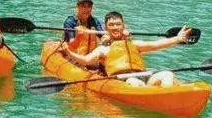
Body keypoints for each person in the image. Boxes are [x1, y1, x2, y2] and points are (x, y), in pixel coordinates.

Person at [58, 11, 193, 86]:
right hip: (123, 81)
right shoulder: (104, 50)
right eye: (111, 25)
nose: (115, 27)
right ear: (106, 28)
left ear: (123, 26)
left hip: (143, 77)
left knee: (167, 75)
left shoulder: (134, 44)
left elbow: (157, 44)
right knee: (133, 82)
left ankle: (167, 101)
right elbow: (85, 60)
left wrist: (178, 39)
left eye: (118, 24)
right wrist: (68, 52)